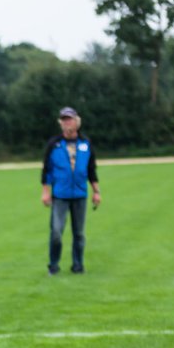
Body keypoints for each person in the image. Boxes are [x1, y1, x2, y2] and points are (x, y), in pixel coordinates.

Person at [40, 107, 101, 275]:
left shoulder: (85, 144)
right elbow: (47, 170)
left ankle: (78, 265)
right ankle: (53, 265)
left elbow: (91, 169)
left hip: (80, 195)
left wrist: (96, 191)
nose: (67, 122)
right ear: (61, 123)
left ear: (77, 122)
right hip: (60, 195)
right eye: (64, 120)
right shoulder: (54, 145)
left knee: (79, 234)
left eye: (69, 119)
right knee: (56, 232)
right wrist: (45, 192)